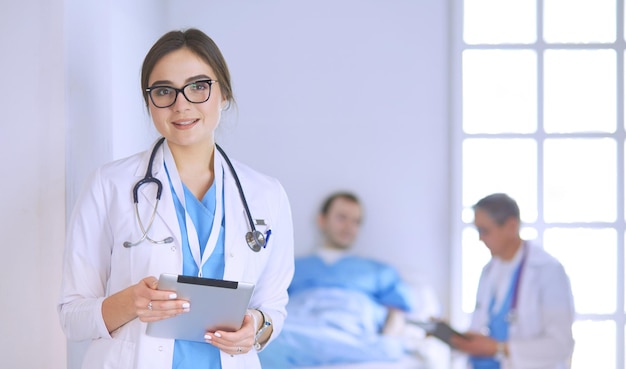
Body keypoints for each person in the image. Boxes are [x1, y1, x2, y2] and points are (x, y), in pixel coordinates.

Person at [58, 28, 294, 369]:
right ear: (149, 101)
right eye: (164, 91)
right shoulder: (109, 185)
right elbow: (71, 316)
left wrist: (257, 326)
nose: (181, 105)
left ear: (223, 94)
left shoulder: (266, 194)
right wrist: (129, 302)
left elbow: (273, 307)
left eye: (199, 86)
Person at [259, 192, 415, 368]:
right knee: (265, 347)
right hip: (297, 334)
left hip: (352, 337)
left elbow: (396, 313)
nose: (349, 227)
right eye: (342, 218)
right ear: (322, 220)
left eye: (356, 221)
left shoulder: (378, 271)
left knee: (391, 350)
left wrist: (389, 339)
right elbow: (270, 305)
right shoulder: (292, 266)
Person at [451, 193, 575, 369]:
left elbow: (560, 345)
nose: (480, 238)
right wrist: (461, 339)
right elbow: (481, 324)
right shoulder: (489, 270)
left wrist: (498, 348)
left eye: (484, 231)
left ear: (511, 226)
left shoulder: (548, 270)